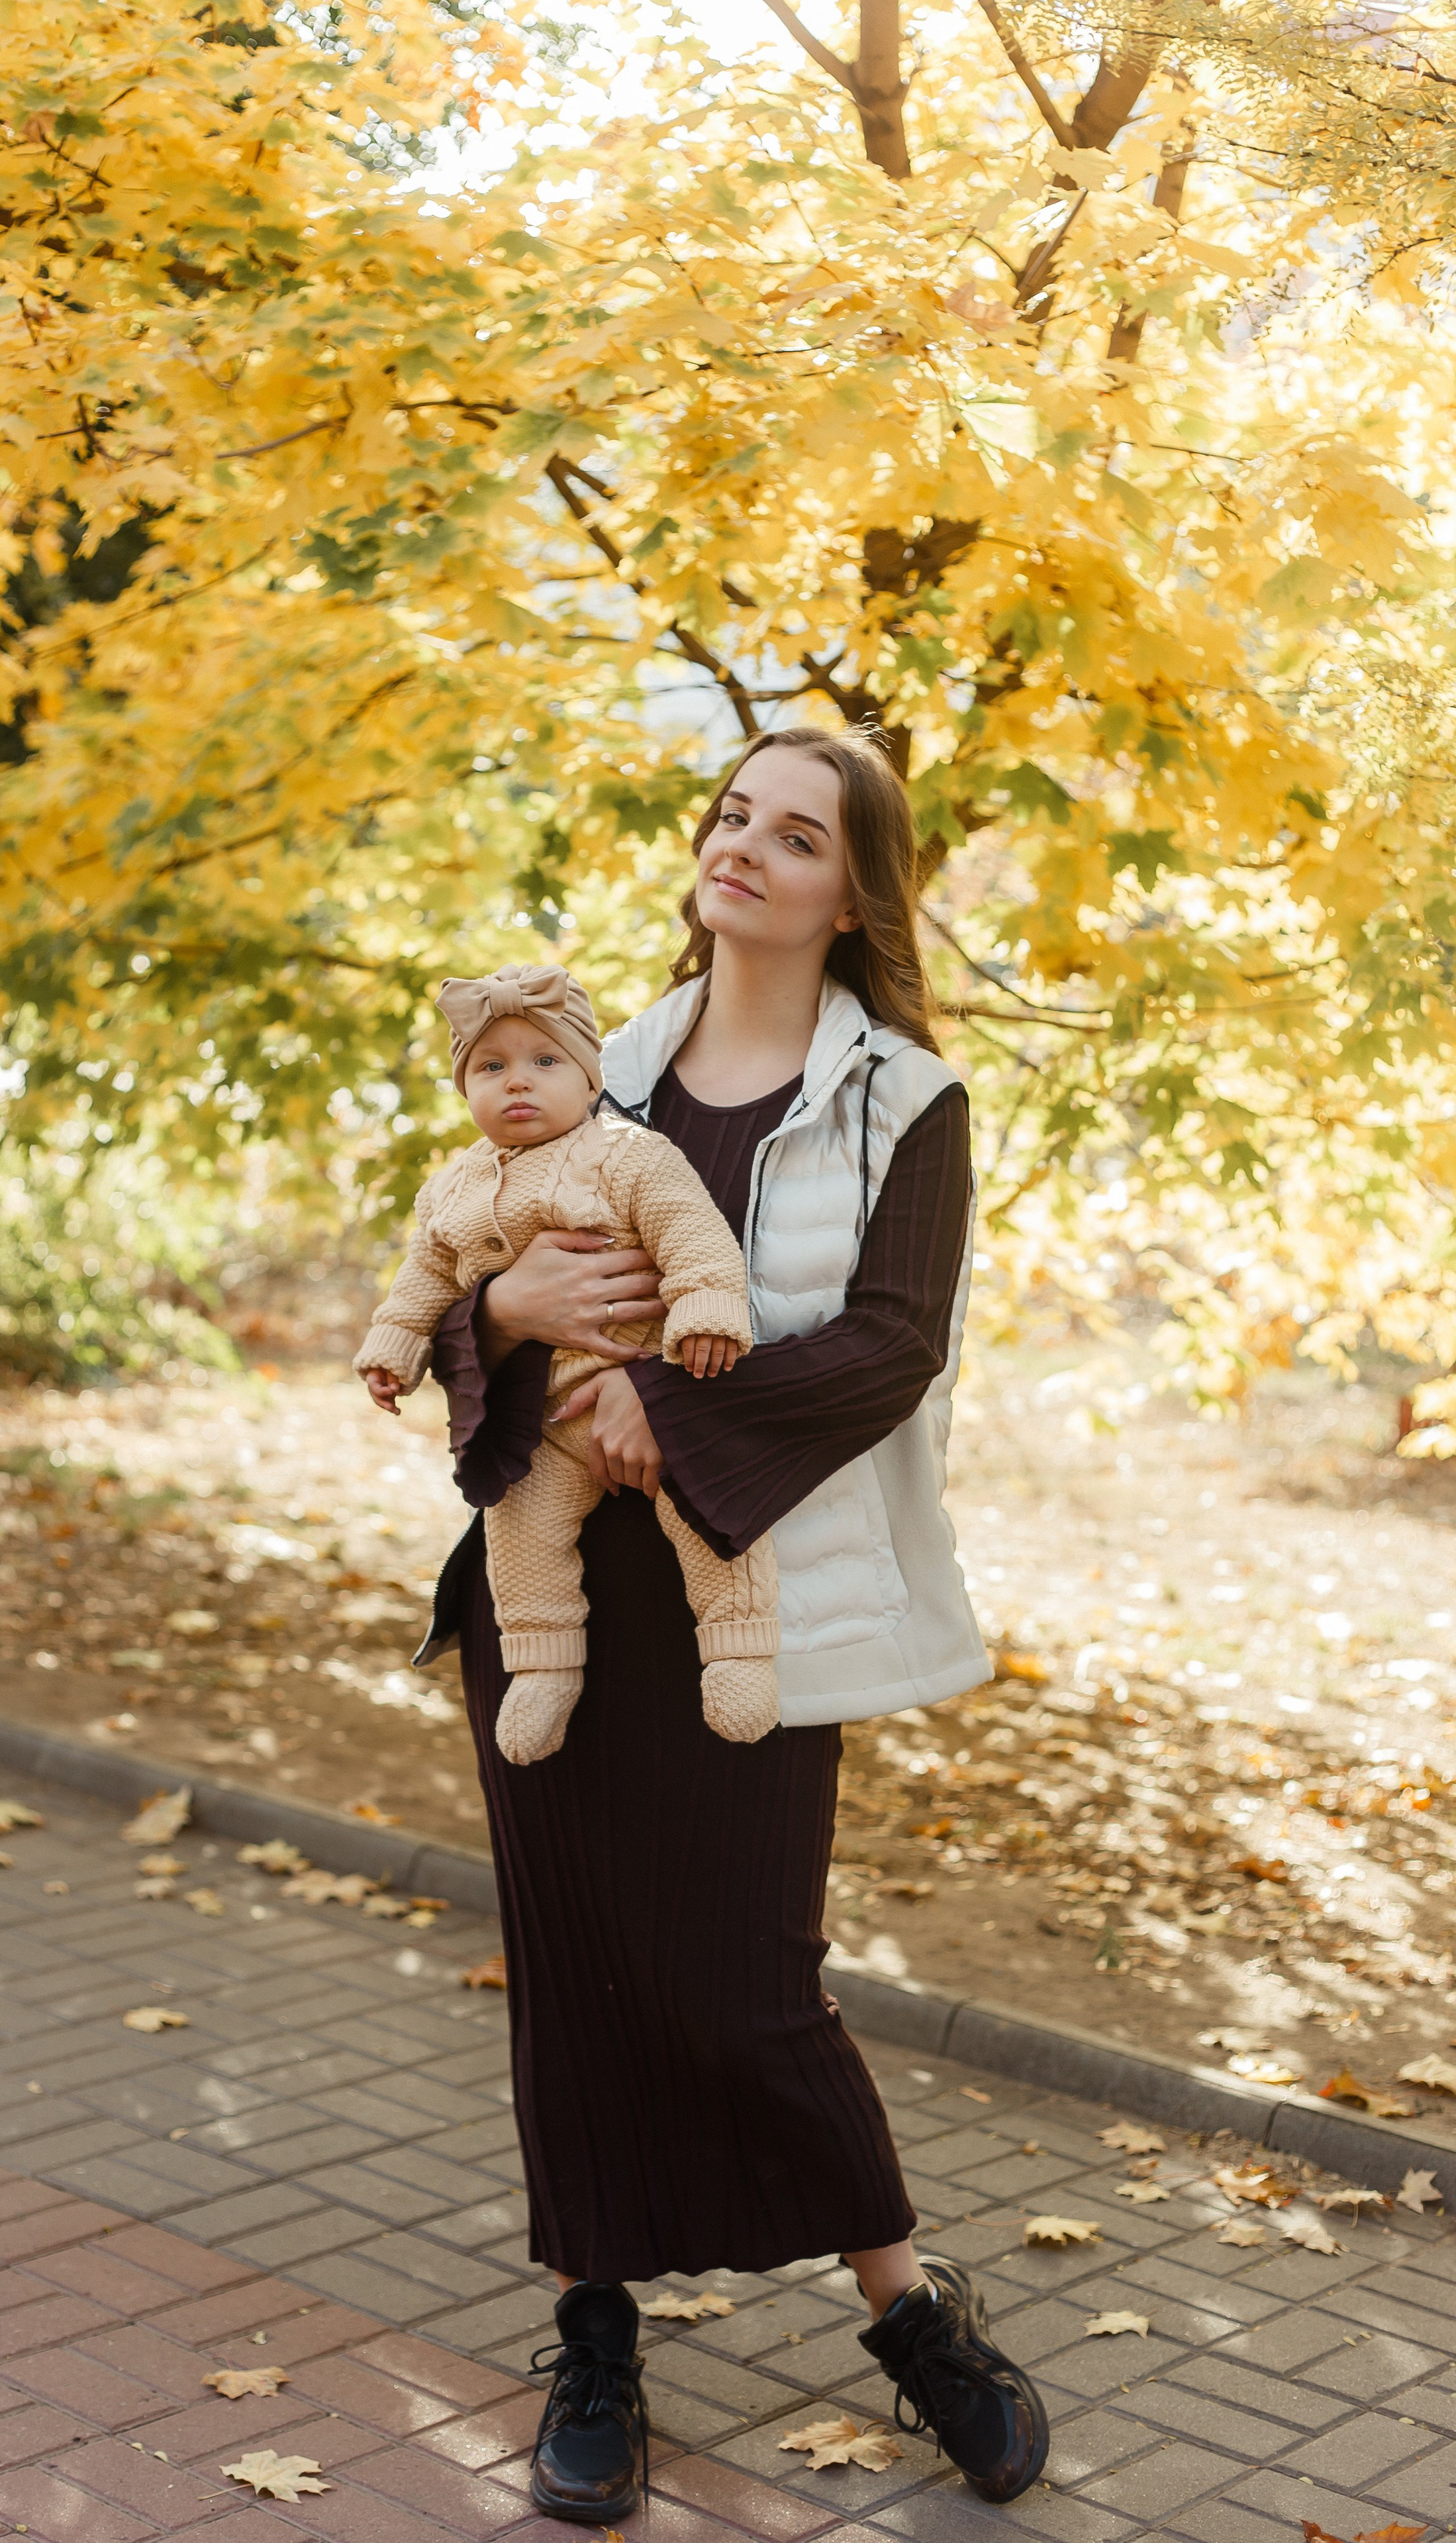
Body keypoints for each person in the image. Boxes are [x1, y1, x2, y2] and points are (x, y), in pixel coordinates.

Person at [413, 725, 1049, 2521]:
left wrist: (669, 1415)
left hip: (744, 1587)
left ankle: (909, 2310)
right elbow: (448, 1270)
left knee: (752, 1987)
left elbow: (894, 1340)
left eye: (794, 833)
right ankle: (594, 2332)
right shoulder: (577, 1066)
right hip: (548, 1602)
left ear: (854, 893)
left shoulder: (907, 1099)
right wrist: (513, 1313)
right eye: (728, 818)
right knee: (578, 1972)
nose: (745, 849)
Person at [354, 962, 781, 1766]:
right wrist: (394, 1350)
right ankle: (543, 1667)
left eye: (545, 1062)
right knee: (517, 1528)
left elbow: (691, 1235)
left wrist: (706, 1309)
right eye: (492, 1067)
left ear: (590, 1080)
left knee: (706, 1510)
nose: (518, 1082)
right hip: (543, 1418)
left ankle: (738, 1649)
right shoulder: (453, 1187)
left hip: (652, 1383)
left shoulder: (629, 1156)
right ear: (465, 1089)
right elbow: (422, 1279)